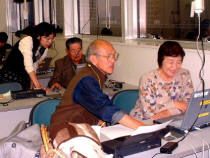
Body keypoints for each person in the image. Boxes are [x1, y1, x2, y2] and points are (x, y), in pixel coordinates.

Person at [48, 39, 146, 140]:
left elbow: (92, 104)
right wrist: (143, 128)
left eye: (113, 55)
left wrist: (97, 119)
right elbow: (105, 108)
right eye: (108, 56)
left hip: (81, 127)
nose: (113, 60)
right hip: (66, 131)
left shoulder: (94, 73)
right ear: (94, 59)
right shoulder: (87, 79)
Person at [130, 41, 194, 121]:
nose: (174, 67)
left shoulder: (184, 74)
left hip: (172, 119)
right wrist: (174, 104)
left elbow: (189, 106)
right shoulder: (148, 79)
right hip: (145, 122)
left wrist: (169, 112)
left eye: (179, 62)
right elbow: (148, 113)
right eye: (170, 62)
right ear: (161, 60)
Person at [0, 22, 56, 90]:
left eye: (52, 38)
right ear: (38, 36)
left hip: (23, 77)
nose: (50, 41)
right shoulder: (27, 41)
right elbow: (28, 65)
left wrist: (33, 81)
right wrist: (38, 86)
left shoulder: (44, 49)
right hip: (10, 76)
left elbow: (34, 65)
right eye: (47, 38)